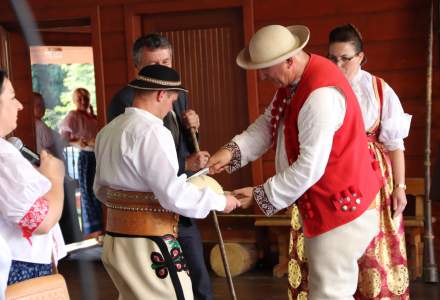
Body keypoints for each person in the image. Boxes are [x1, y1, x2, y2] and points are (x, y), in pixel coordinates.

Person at [207, 24, 384, 299]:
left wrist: (259, 194)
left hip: (340, 209)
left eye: (266, 68)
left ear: (290, 59)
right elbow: (269, 123)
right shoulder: (296, 80)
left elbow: (309, 167)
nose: (262, 75)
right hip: (331, 204)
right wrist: (231, 152)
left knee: (330, 294)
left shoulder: (320, 96)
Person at [94, 64, 240, 300]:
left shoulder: (107, 131)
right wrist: (221, 201)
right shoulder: (153, 131)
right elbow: (173, 195)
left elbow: (100, 190)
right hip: (150, 243)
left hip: (115, 242)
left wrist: (127, 206)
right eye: (172, 99)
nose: (171, 105)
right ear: (161, 95)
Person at [108, 34, 213, 300]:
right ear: (137, 68)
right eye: (153, 64)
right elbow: (135, 159)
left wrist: (195, 131)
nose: (162, 70)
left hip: (181, 201)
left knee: (199, 278)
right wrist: (185, 165)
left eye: (166, 61)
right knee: (167, 288)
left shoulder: (177, 93)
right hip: (150, 213)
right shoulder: (125, 102)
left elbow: (185, 147)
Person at [328, 24, 411, 299]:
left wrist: (400, 187)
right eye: (333, 58)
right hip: (332, 173)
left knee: (372, 247)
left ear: (361, 57)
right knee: (333, 250)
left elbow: (395, 143)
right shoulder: (323, 88)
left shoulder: (378, 89)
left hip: (372, 176)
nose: (338, 64)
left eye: (345, 58)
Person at [0, 69, 66, 285]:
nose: (19, 105)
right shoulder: (3, 156)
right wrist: (55, 178)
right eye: (11, 97)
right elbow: (41, 222)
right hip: (19, 265)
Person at [33, 92, 82, 244]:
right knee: (64, 214)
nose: (44, 108)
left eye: (43, 104)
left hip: (51, 176)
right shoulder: (38, 125)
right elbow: (59, 141)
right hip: (51, 177)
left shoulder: (38, 125)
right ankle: (70, 244)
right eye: (39, 105)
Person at [59, 88, 102, 238]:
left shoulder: (93, 117)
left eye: (86, 97)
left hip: (98, 157)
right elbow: (63, 138)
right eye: (80, 98)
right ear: (74, 100)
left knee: (99, 192)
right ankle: (92, 231)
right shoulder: (73, 116)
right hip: (85, 157)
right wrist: (78, 141)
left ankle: (101, 228)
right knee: (88, 193)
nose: (83, 101)